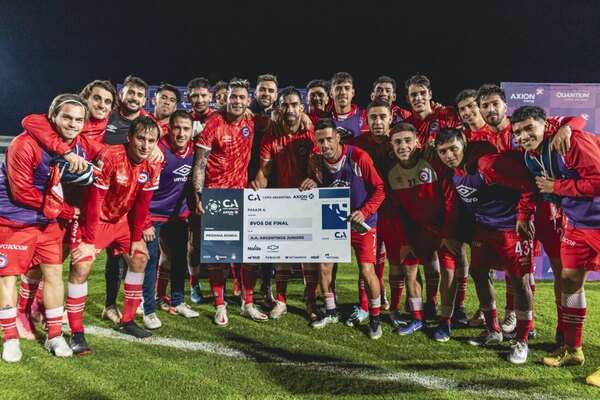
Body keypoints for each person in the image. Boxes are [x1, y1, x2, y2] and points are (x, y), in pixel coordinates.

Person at [477, 83, 586, 342]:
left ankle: (563, 328)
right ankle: (522, 318)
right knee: (519, 269)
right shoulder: (481, 138)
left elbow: (577, 119)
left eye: (495, 104)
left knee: (559, 269)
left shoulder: (527, 123)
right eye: (485, 106)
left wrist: (568, 127)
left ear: (505, 105)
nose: (491, 109)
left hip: (545, 209)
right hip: (514, 213)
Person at [0, 94, 99, 361]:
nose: (73, 124)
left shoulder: (79, 146)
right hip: (14, 219)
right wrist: (65, 210)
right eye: (66, 117)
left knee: (54, 273)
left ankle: (54, 335)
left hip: (48, 221)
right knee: (7, 277)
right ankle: (10, 339)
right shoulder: (24, 144)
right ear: (52, 116)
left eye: (79, 119)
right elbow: (21, 192)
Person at [510, 106, 600, 386]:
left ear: (545, 124)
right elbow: (538, 188)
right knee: (570, 281)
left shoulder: (571, 141)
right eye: (517, 132)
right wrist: (526, 212)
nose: (524, 136)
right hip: (577, 224)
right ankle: (573, 350)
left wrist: (558, 187)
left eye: (528, 128)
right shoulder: (530, 156)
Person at [435, 127, 536, 364]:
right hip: (483, 228)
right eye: (443, 151)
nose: (449, 155)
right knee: (479, 273)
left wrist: (524, 216)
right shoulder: (450, 170)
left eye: (453, 149)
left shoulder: (486, 163)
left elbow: (528, 184)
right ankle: (493, 330)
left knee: (519, 281)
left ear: (464, 144)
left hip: (511, 229)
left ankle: (522, 339)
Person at [68, 116, 163, 354]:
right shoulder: (110, 156)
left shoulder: (153, 164)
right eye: (141, 138)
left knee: (140, 257)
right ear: (129, 137)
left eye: (151, 141)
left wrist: (136, 238)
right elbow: (94, 200)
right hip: (96, 218)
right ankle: (77, 332)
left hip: (122, 220)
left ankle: (128, 320)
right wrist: (89, 241)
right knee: (81, 266)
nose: (145, 145)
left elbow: (142, 204)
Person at [192, 78, 270, 326]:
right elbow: (200, 164)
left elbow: (279, 121)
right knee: (219, 257)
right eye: (232, 97)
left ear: (249, 100)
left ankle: (247, 303)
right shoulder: (214, 123)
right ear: (225, 99)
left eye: (241, 98)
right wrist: (199, 195)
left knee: (249, 254)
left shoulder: (251, 120)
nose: (236, 101)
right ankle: (220, 305)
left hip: (241, 196)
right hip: (216, 197)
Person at [305, 118, 385, 339]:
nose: (326, 145)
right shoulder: (317, 162)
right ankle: (331, 312)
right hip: (334, 220)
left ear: (338, 137)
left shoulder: (358, 157)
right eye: (320, 141)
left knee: (367, 270)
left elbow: (380, 188)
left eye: (329, 139)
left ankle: (375, 319)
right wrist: (311, 184)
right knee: (324, 266)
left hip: (362, 223)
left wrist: (365, 211)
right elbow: (321, 191)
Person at [387, 122, 466, 342]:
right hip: (417, 232)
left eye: (407, 141)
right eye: (398, 142)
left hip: (444, 230)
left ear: (417, 142)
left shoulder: (433, 163)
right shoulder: (393, 173)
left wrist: (448, 234)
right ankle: (417, 318)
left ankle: (445, 321)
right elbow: (399, 211)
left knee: (449, 273)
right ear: (392, 145)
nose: (403, 146)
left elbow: (451, 201)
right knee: (409, 271)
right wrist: (405, 241)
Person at [251, 86, 318, 320]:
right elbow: (264, 172)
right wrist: (257, 185)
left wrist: (314, 180)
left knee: (308, 256)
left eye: (294, 104)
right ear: (280, 108)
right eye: (285, 105)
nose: (290, 109)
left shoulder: (312, 134)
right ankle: (281, 300)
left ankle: (311, 302)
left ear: (302, 107)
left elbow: (318, 171)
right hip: (282, 200)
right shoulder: (272, 135)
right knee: (282, 255)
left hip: (307, 201)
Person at [140, 110, 198, 330]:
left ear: (192, 131)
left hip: (178, 215)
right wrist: (145, 220)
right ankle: (149, 309)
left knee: (179, 259)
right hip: (153, 214)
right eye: (177, 128)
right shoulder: (158, 151)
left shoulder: (195, 149)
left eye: (186, 129)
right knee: (150, 260)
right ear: (169, 129)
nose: (181, 133)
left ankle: (178, 301)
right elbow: (142, 188)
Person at [347, 100, 396, 325]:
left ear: (391, 118)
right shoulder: (357, 144)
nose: (378, 122)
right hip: (369, 211)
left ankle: (394, 306)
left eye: (382, 117)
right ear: (366, 120)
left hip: (396, 210)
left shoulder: (399, 141)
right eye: (373, 117)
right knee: (367, 260)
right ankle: (365, 305)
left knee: (396, 262)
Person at [330, 72, 366, 143]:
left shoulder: (365, 116)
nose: (343, 92)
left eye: (347, 88)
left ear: (353, 93)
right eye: (338, 88)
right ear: (331, 93)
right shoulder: (324, 118)